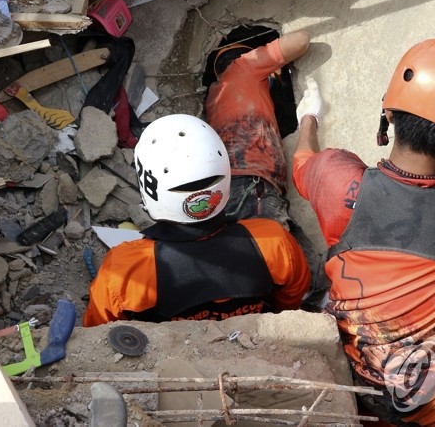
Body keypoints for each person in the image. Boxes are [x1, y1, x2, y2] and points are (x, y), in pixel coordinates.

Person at [293, 39, 435, 426]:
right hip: (420, 390)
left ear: (390, 114)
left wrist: (308, 119)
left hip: (344, 374)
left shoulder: (337, 181)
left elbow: (303, 161)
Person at [83, 114, 310, 326]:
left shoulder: (124, 270)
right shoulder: (273, 241)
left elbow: (98, 332)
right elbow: (289, 305)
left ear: (149, 187)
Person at [204, 28, 311, 227]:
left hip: (227, 191)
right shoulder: (244, 66)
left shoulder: (212, 98)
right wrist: (265, 59)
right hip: (250, 187)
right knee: (275, 251)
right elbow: (301, 40)